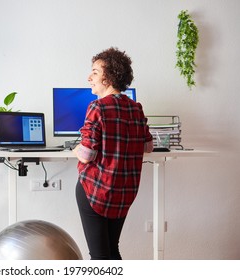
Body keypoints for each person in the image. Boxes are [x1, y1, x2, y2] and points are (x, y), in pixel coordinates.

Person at [73, 47, 153, 260]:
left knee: (99, 256)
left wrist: (75, 149)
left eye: (95, 72)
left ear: (108, 78)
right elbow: (148, 147)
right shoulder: (136, 108)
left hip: (96, 191)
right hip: (124, 193)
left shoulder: (97, 107)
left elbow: (86, 155)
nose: (89, 77)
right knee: (112, 249)